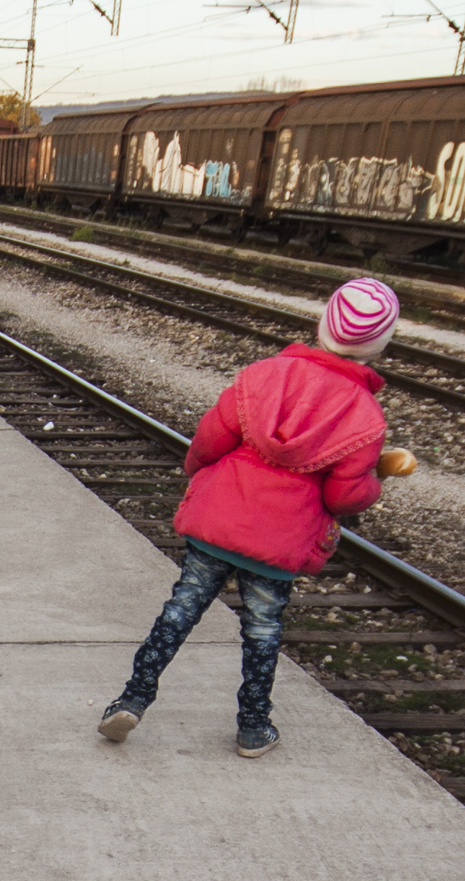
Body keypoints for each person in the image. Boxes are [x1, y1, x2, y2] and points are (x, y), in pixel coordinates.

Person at [99, 278, 404, 761]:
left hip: (220, 521)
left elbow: (210, 439)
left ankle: (132, 699)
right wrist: (375, 481)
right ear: (380, 346)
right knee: (262, 629)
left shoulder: (263, 374)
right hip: (279, 542)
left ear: (322, 324)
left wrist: (200, 478)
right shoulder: (365, 415)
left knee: (181, 609)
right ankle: (253, 726)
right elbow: (344, 496)